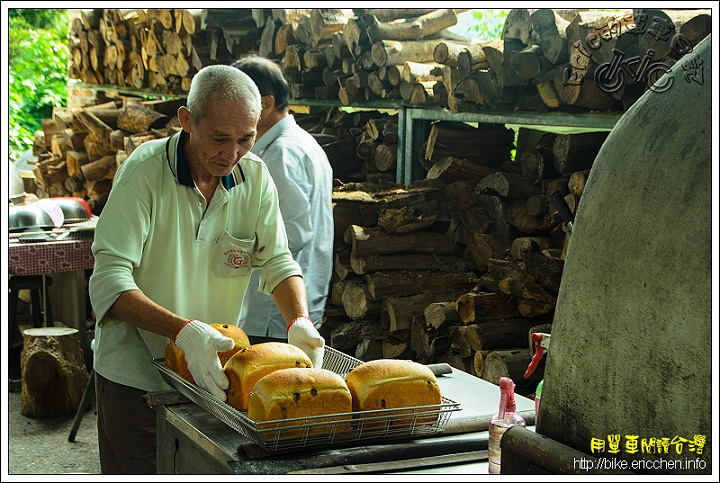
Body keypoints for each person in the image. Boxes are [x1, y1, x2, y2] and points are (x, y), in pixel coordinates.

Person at [88, 64, 325, 474]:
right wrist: (182, 331)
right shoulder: (144, 174)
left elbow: (277, 260)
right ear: (186, 121)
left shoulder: (254, 176)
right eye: (219, 139)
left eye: (246, 139)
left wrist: (299, 321)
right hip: (136, 380)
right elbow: (109, 280)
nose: (231, 154)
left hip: (213, 380)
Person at [231, 56, 334, 345]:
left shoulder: (280, 155)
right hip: (285, 309)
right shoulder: (298, 143)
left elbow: (293, 235)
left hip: (270, 312)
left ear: (265, 104)